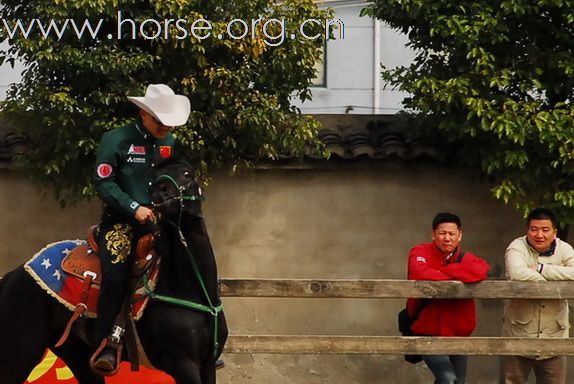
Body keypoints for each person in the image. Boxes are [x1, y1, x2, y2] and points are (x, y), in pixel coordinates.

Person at [91, 83, 190, 372]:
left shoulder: (170, 142)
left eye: (167, 121)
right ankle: (106, 343)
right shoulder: (116, 139)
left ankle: (193, 339)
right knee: (117, 275)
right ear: (143, 113)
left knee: (187, 264)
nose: (164, 126)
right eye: (158, 120)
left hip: (160, 222)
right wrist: (134, 207)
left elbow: (176, 179)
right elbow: (104, 182)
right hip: (120, 222)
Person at [406, 212, 490, 384]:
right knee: (448, 379)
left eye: (452, 234)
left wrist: (443, 272)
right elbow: (419, 273)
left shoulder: (467, 258)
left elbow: (481, 271)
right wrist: (459, 275)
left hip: (459, 332)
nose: (447, 238)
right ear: (433, 234)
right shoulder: (419, 251)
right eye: (442, 233)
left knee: (458, 381)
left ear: (460, 235)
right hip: (428, 330)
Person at [500, 208, 574, 384]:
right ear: (527, 230)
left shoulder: (565, 249)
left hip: (554, 338)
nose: (539, 234)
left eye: (545, 230)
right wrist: (555, 281)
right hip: (519, 336)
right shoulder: (516, 247)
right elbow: (518, 273)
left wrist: (542, 269)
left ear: (554, 233)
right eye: (534, 229)